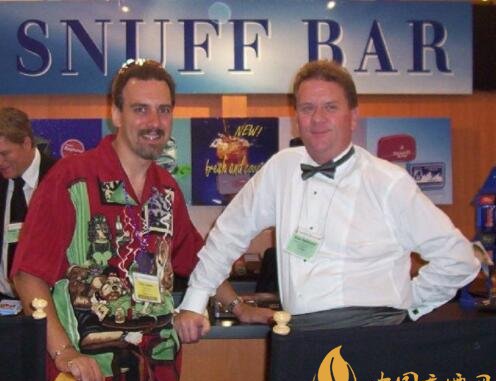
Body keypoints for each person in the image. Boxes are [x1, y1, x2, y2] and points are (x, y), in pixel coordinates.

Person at [174, 59, 479, 340]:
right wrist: (193, 303)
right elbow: (228, 234)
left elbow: (459, 259)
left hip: (375, 336)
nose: (317, 119)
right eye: (307, 108)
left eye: (330, 107)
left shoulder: (389, 182)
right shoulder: (281, 168)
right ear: (297, 117)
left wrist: (409, 304)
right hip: (299, 334)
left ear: (353, 116)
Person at [11, 59, 247, 381]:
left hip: (157, 373)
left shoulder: (165, 190)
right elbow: (27, 275)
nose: (154, 122)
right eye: (140, 109)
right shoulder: (72, 179)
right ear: (116, 115)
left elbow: (198, 259)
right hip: (87, 379)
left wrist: (238, 306)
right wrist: (65, 352)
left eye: (163, 110)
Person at [0, 107, 56, 298]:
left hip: (48, 302)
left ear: (26, 143)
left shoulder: (60, 178)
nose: (0, 162)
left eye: (5, 154)